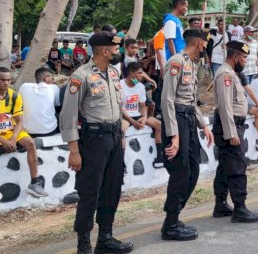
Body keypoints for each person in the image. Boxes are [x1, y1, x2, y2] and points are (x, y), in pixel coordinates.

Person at [59, 31, 134, 254]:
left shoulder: (112, 72)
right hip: (93, 140)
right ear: (103, 50)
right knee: (89, 192)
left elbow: (116, 107)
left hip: (113, 138)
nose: (118, 51)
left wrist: (121, 132)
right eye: (115, 48)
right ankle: (84, 243)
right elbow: (68, 115)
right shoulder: (80, 76)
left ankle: (105, 238)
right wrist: (74, 151)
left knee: (112, 189)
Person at [160, 29, 214, 241]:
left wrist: (204, 125)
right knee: (181, 171)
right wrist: (174, 135)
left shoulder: (191, 64)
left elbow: (192, 100)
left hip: (189, 119)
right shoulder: (176, 62)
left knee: (192, 170)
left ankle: (174, 215)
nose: (205, 48)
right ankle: (170, 223)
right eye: (205, 44)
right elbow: (168, 100)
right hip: (177, 121)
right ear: (200, 43)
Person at [0, 67, 48, 210]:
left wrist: (13, 139)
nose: (6, 83)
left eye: (9, 80)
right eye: (2, 80)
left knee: (30, 143)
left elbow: (19, 120)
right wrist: (3, 142)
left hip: (10, 131)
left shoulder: (15, 96)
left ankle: (34, 182)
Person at [211, 41, 258, 223]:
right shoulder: (225, 74)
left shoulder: (232, 73)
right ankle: (240, 207)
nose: (245, 61)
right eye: (243, 57)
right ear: (235, 57)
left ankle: (221, 204)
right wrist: (231, 133)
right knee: (238, 166)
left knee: (225, 166)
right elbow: (225, 106)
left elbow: (235, 103)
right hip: (229, 126)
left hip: (231, 124)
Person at [120, 62, 162, 147]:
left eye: (142, 73)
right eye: (139, 73)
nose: (142, 75)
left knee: (159, 125)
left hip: (138, 115)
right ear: (131, 74)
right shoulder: (120, 85)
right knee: (123, 129)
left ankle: (158, 154)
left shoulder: (141, 86)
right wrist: (132, 121)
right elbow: (120, 108)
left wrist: (144, 118)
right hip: (126, 116)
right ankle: (124, 156)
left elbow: (142, 105)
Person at [18, 68, 60, 137]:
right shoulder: (54, 88)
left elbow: (20, 105)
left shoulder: (24, 86)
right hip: (49, 131)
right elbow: (57, 105)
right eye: (52, 78)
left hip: (27, 131)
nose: (53, 81)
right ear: (46, 77)